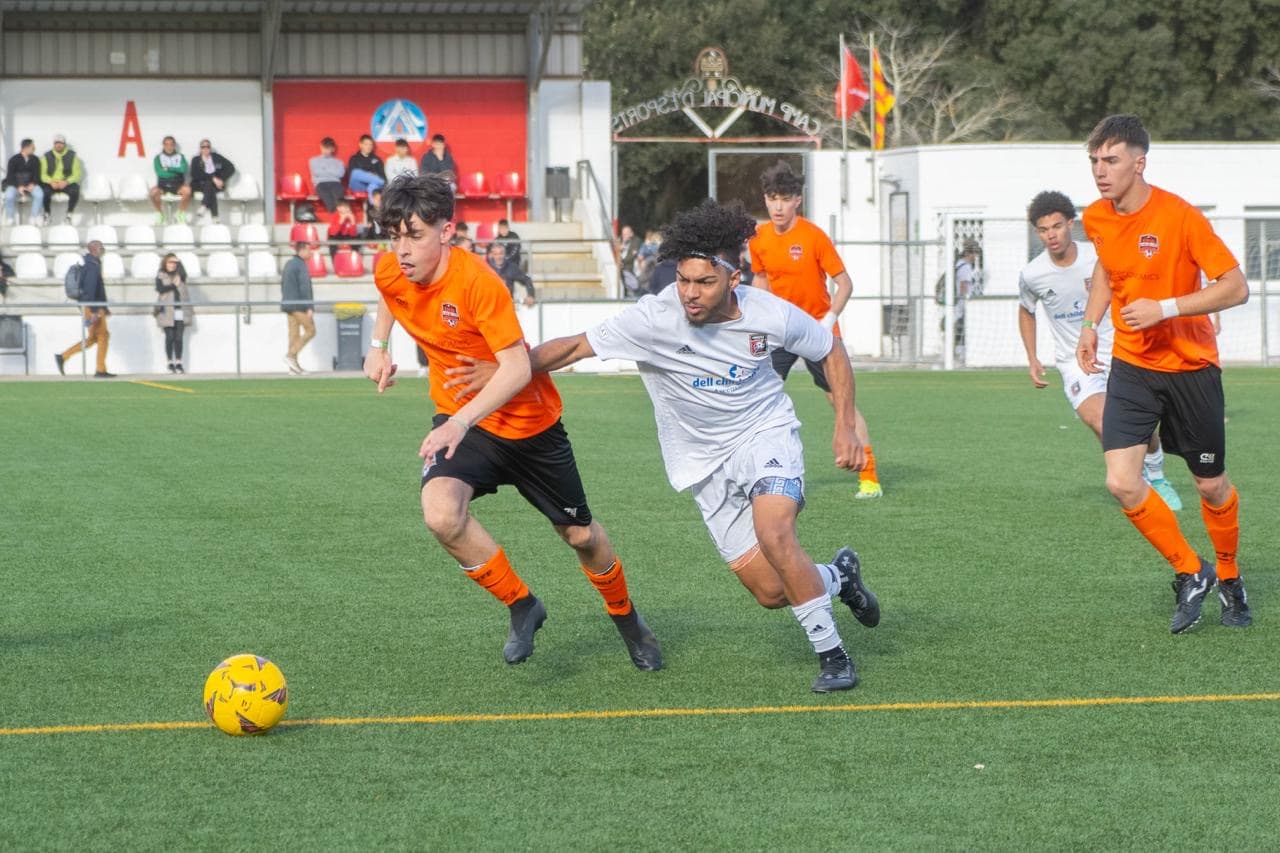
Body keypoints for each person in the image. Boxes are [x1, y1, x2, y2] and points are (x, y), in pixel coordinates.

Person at [446, 199, 882, 693]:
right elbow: (571, 346)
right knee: (769, 591)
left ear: (733, 278)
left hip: (765, 434)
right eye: (683, 280)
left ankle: (834, 657)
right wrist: (510, 369)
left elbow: (831, 350)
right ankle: (839, 578)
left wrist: (845, 423)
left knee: (776, 533)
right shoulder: (653, 317)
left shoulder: (772, 315)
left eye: (704, 283)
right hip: (704, 465)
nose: (690, 294)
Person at [362, 172, 662, 672]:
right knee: (441, 514)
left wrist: (459, 422)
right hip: (465, 421)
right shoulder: (392, 270)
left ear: (446, 231)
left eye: (414, 234)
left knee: (581, 537)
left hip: (529, 426)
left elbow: (519, 367)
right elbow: (388, 295)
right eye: (394, 236)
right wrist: (377, 348)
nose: (402, 249)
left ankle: (628, 619)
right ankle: (523, 604)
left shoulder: (480, 283)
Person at [1076, 114, 1251, 633]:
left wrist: (1168, 307)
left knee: (1211, 484)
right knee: (1121, 481)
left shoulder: (1181, 217)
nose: (1100, 172)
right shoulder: (1096, 217)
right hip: (1132, 365)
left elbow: (1236, 287)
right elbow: (1109, 266)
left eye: (1110, 160)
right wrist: (1091, 323)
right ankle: (1189, 570)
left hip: (1191, 369)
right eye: (1094, 162)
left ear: (1139, 162)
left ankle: (1230, 575)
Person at [1017, 190, 1182, 510]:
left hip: (1122, 351)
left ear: (1071, 224)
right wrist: (1032, 357)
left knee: (1142, 425)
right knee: (1103, 421)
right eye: (1043, 229)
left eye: (1057, 226)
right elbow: (1026, 310)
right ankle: (1140, 480)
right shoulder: (1032, 274)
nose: (1051, 235)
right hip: (1075, 362)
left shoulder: (1099, 257)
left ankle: (1157, 476)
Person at [749, 160, 884, 499]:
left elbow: (845, 284)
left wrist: (828, 319)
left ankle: (869, 476)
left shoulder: (813, 237)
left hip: (819, 332)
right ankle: (756, 474)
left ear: (798, 200)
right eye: (771, 198)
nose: (777, 206)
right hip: (780, 332)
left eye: (784, 198)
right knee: (755, 398)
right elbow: (761, 279)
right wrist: (754, 318)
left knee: (841, 403)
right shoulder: (759, 238)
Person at [54, 240, 113, 377]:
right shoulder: (92, 266)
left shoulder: (92, 264)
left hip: (95, 306)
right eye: (101, 248)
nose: (103, 251)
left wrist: (104, 308)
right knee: (102, 336)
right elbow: (90, 290)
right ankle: (100, 369)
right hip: (93, 307)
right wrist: (94, 310)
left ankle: (63, 356)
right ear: (94, 249)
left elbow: (98, 289)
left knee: (94, 338)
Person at [281, 241, 316, 374]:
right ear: (301, 250)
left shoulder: (289, 263)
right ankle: (290, 355)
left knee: (293, 335)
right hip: (299, 305)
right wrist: (309, 306)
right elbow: (305, 287)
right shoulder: (301, 265)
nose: (310, 252)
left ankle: (293, 368)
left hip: (288, 304)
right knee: (311, 330)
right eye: (308, 250)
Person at [154, 253, 193, 373]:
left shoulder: (181, 275)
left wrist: (179, 261)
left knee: (179, 337)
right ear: (165, 263)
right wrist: (173, 285)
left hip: (180, 309)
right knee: (169, 337)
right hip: (167, 310)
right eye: (170, 262)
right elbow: (160, 289)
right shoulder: (160, 275)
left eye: (174, 263)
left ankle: (179, 362)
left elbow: (183, 273)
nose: (172, 265)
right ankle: (170, 362)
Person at [188, 139, 236, 223]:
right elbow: (194, 174)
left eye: (208, 147)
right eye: (203, 147)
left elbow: (231, 167)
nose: (205, 149)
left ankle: (204, 205)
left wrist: (222, 179)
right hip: (199, 184)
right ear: (200, 149)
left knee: (209, 186)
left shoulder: (216, 157)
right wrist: (213, 178)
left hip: (215, 185)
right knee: (210, 186)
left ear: (210, 148)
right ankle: (215, 216)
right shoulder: (196, 160)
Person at [40, 134, 83, 224]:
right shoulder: (46, 156)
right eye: (56, 143)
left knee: (75, 189)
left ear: (64, 144)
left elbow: (77, 174)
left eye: (61, 143)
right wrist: (50, 181)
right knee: (44, 191)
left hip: (65, 182)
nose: (59, 145)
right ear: (54, 144)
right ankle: (47, 214)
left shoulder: (72, 156)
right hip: (52, 183)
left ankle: (69, 215)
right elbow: (42, 174)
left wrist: (67, 182)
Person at [148, 136, 191, 225]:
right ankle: (160, 214)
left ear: (174, 145)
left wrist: (168, 168)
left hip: (178, 185)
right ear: (163, 145)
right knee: (152, 192)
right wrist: (176, 170)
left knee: (188, 190)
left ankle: (180, 214)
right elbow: (160, 173)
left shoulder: (180, 157)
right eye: (166, 144)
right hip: (163, 185)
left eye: (171, 144)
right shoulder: (158, 158)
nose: (169, 147)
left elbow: (183, 169)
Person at [3, 138, 45, 226]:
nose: (34, 149)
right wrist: (19, 186)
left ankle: (34, 217)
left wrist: (33, 184)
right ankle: (10, 217)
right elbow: (10, 176)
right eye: (32, 147)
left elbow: (37, 175)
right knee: (8, 195)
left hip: (30, 185)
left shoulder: (35, 159)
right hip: (15, 185)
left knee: (39, 194)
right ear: (26, 148)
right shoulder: (14, 159)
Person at [485, 241, 534, 306]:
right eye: (496, 254)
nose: (498, 257)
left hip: (507, 305)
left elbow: (527, 280)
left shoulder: (511, 267)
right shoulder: (486, 268)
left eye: (501, 253)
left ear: (505, 254)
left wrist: (530, 295)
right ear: (492, 255)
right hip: (490, 305)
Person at [309, 137, 345, 213]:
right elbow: (316, 172)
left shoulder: (339, 162)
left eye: (328, 148)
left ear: (333, 149)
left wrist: (324, 169)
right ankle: (336, 217)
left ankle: (338, 217)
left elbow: (340, 174)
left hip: (335, 183)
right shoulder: (313, 160)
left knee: (339, 199)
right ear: (321, 147)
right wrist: (332, 172)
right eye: (324, 148)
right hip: (321, 184)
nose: (325, 150)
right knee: (329, 200)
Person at [347, 134, 387, 200]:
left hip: (372, 184)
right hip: (358, 185)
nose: (369, 147)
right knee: (355, 172)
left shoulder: (377, 159)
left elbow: (383, 175)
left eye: (371, 144)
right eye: (366, 144)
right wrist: (370, 175)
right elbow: (352, 175)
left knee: (373, 186)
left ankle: (372, 209)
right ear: (360, 144)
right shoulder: (354, 158)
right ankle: (381, 182)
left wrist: (374, 176)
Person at [617, 224, 642, 295]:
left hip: (629, 269)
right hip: (620, 268)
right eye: (623, 234)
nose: (624, 236)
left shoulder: (636, 241)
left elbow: (632, 256)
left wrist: (622, 262)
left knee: (635, 286)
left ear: (631, 233)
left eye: (626, 234)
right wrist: (619, 250)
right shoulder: (619, 241)